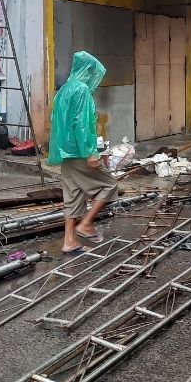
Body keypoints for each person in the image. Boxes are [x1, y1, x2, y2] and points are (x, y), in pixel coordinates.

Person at [48, 51, 119, 253]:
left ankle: (69, 240)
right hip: (80, 152)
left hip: (65, 152)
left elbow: (56, 120)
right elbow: (81, 124)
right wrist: (91, 152)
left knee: (73, 194)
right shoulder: (81, 90)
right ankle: (86, 223)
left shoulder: (64, 90)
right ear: (87, 70)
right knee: (110, 185)